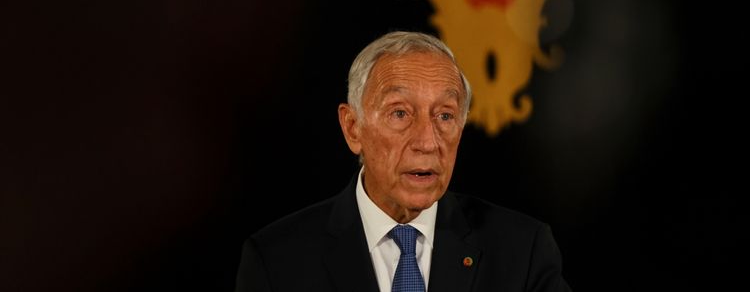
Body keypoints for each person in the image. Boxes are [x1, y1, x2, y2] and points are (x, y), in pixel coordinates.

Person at [234, 31, 572, 291]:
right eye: (400, 113)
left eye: (444, 115)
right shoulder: (277, 261)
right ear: (353, 128)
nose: (427, 142)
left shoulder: (522, 251)